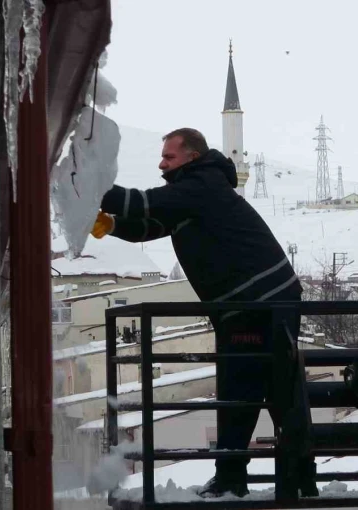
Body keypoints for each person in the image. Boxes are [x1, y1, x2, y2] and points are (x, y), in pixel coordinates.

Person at [92, 128, 317, 498]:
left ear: (191, 157)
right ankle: (283, 479)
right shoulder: (196, 190)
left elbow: (143, 203)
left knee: (251, 388)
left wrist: (90, 185)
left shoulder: (201, 185)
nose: (161, 163)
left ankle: (250, 479)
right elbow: (150, 225)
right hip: (254, 302)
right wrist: (111, 225)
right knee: (260, 389)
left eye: (169, 157)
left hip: (259, 302)